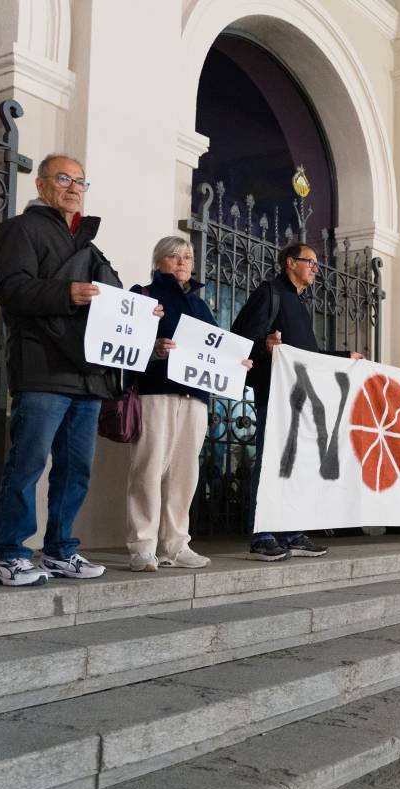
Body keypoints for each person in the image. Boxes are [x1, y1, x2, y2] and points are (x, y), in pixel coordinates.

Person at [0, 154, 161, 586]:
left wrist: (143, 314)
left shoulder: (89, 245)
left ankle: (60, 549)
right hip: (43, 367)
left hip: (89, 374)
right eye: (63, 178)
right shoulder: (20, 230)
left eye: (80, 182)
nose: (72, 187)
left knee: (75, 468)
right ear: (42, 186)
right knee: (27, 463)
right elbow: (11, 290)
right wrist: (68, 293)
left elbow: (115, 295)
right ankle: (9, 553)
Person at [125, 236, 253, 571]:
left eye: (188, 257)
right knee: (149, 467)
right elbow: (126, 339)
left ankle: (176, 544)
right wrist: (154, 349)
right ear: (159, 261)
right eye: (174, 256)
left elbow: (215, 350)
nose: (183, 262)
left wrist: (235, 364)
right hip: (156, 391)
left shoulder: (201, 305)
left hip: (194, 397)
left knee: (184, 472)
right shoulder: (143, 294)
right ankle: (142, 546)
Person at [233, 243, 362, 561]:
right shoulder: (270, 293)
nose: (316, 268)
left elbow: (307, 357)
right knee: (269, 465)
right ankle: (262, 535)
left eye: (317, 264)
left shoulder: (299, 304)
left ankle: (290, 532)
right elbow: (240, 339)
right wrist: (264, 344)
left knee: (294, 466)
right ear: (290, 262)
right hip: (273, 395)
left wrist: (345, 358)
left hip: (299, 399)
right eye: (311, 262)